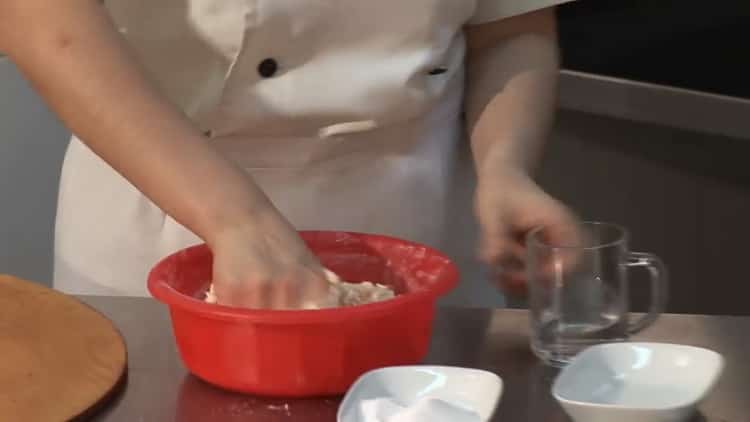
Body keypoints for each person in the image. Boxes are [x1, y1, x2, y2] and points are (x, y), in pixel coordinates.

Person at [0, 0, 578, 309]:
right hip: (165, 205)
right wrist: (236, 219)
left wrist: (504, 166)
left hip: (416, 214)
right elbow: (39, 22)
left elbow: (512, 26)